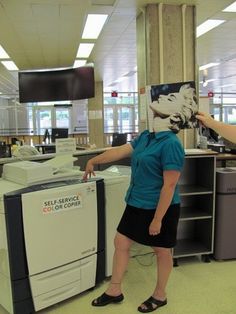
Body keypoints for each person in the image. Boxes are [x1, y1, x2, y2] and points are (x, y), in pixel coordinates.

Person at [83, 93, 187, 313]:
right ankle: (114, 290)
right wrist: (93, 160)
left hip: (160, 207)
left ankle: (160, 295)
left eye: (159, 111)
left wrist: (158, 219)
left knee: (161, 251)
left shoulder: (171, 144)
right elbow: (120, 151)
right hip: (136, 202)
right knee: (121, 242)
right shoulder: (146, 136)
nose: (153, 114)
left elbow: (169, 186)